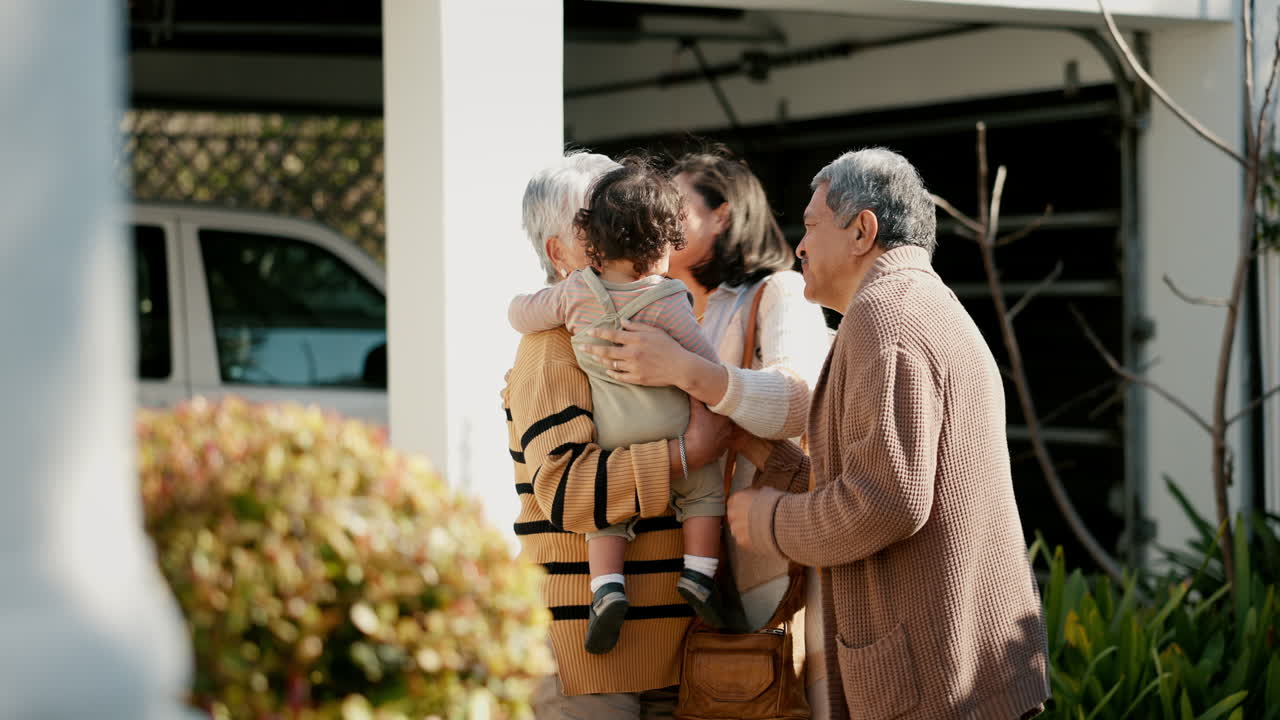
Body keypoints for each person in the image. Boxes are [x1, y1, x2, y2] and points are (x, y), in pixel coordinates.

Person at [725, 148, 1050, 719]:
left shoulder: (887, 318)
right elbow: (890, 480)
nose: (799, 247)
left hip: (933, 683)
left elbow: (886, 502)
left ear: (862, 231)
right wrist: (772, 459)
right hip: (959, 669)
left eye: (811, 226)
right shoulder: (920, 303)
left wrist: (767, 520)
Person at [579, 148, 833, 715]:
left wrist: (687, 371)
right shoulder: (647, 302)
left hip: (756, 565)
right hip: (666, 571)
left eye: (676, 203)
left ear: (723, 214)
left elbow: (799, 399)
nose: (656, 218)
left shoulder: (778, 292)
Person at [502, 151, 731, 719]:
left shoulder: (645, 324)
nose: (617, 228)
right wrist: (687, 454)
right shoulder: (552, 347)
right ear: (560, 252)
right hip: (591, 667)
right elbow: (567, 491)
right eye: (594, 221)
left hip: (664, 653)